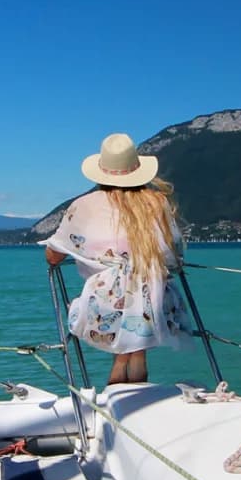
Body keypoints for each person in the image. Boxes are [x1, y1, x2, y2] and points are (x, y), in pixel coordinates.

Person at [42, 132, 187, 384]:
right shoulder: (157, 202)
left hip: (106, 302)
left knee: (121, 327)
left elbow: (55, 254)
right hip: (154, 300)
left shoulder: (84, 205)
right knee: (136, 331)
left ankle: (117, 389)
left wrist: (56, 256)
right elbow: (175, 257)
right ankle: (136, 371)